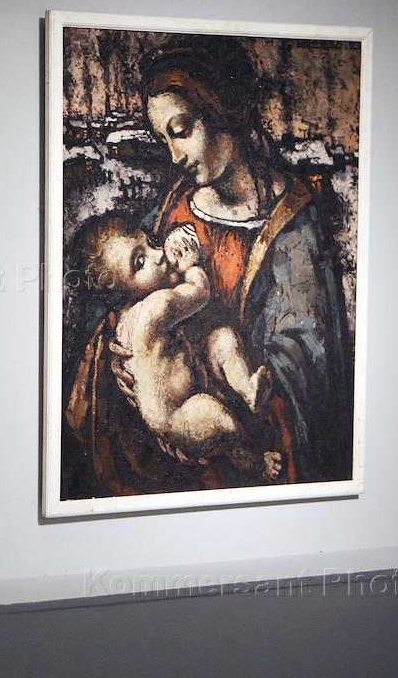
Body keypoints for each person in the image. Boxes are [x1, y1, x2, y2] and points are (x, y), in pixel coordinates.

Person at [62, 35, 353, 498]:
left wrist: (227, 398)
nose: (174, 156)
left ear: (223, 114)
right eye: (164, 139)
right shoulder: (178, 204)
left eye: (181, 131)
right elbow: (126, 287)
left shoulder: (291, 221)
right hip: (174, 453)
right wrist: (123, 362)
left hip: (254, 447)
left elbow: (308, 365)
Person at [73, 214, 281, 479]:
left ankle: (249, 389)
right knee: (216, 417)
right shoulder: (154, 309)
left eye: (150, 243)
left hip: (193, 377)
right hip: (179, 415)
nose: (158, 254)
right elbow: (200, 293)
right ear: (122, 290)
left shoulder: (127, 317)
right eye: (140, 262)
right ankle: (253, 462)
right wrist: (191, 264)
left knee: (222, 338)